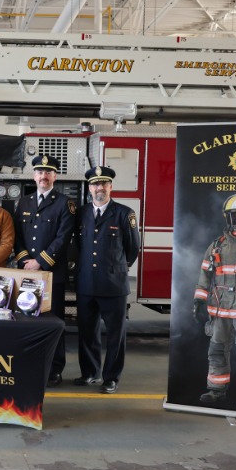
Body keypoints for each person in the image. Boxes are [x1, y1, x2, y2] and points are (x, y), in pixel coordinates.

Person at [74, 166, 140, 394]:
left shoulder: (124, 213)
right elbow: (77, 246)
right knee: (87, 332)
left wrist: (116, 268)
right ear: (89, 188)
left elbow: (133, 248)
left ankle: (111, 377)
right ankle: (90, 373)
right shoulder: (81, 213)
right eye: (95, 184)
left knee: (115, 335)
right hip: (86, 284)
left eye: (103, 184)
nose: (99, 188)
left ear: (110, 186)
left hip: (113, 284)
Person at [14, 155, 76, 387]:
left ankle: (55, 369)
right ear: (34, 176)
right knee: (26, 321)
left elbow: (63, 239)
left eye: (48, 172)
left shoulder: (65, 203)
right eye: (40, 172)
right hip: (26, 274)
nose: (44, 176)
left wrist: (40, 262)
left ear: (55, 177)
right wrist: (25, 261)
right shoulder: (24, 202)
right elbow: (17, 237)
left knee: (54, 323)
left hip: (51, 275)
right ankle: (29, 365)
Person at [193, 194, 236, 411]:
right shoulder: (217, 245)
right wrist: (198, 303)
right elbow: (204, 277)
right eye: (232, 215)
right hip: (219, 308)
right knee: (217, 349)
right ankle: (216, 391)